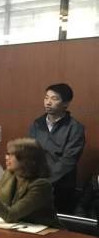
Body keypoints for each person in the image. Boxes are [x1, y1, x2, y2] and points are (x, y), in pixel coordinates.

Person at [0, 138, 60, 228]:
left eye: (11, 155)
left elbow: (10, 215)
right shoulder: (9, 176)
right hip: (17, 230)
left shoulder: (41, 185)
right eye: (7, 154)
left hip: (45, 232)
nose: (6, 158)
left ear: (26, 159)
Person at [29, 83, 85, 214]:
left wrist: (46, 181)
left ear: (66, 104)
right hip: (35, 184)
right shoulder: (37, 124)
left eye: (54, 99)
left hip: (61, 187)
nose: (48, 102)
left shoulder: (75, 128)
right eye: (46, 97)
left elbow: (68, 161)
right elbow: (29, 152)